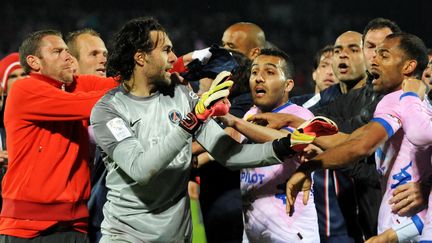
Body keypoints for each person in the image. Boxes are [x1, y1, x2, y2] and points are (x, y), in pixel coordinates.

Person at [90, 17, 300, 243]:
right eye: (166, 50)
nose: (173, 58)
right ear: (140, 57)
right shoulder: (108, 110)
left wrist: (283, 146)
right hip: (126, 237)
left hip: (178, 237)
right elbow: (141, 169)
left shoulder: (180, 95)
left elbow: (228, 153)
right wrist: (192, 120)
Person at [286, 32, 430, 242]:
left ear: (408, 67)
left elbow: (361, 148)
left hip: (404, 225)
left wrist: (309, 167)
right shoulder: (416, 103)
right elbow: (351, 140)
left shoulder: (397, 100)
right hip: (411, 225)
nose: (374, 60)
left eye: (384, 55)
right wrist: (292, 122)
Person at [0, 30, 118, 242]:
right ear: (34, 62)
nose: (67, 56)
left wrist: (172, 67)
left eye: (67, 50)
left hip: (75, 225)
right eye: (57, 51)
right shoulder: (25, 89)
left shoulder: (73, 86)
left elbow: (121, 84)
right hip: (30, 229)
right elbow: (91, 104)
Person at [227, 48, 320, 242]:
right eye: (254, 72)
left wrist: (236, 122)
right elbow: (225, 148)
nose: (259, 78)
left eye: (269, 72)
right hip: (252, 229)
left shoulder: (301, 116)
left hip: (291, 229)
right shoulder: (249, 115)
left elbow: (285, 143)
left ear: (288, 85)